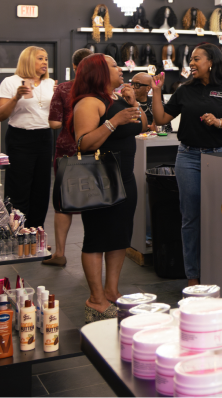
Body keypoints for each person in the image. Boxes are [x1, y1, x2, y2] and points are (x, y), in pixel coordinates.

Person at [150, 44, 222, 286]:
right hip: (189, 157)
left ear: (211, 62)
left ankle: (219, 270)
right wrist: (156, 91)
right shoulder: (185, 90)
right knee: (190, 218)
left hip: (220, 157)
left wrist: (220, 122)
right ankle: (192, 276)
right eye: (191, 60)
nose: (192, 63)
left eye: (196, 59)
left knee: (221, 215)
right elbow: (161, 119)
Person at [70, 53, 146, 322]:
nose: (121, 69)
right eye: (114, 66)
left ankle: (112, 291)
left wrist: (134, 104)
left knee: (119, 236)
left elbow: (143, 126)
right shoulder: (89, 103)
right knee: (97, 238)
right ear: (100, 72)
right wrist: (114, 122)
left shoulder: (117, 99)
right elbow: (84, 143)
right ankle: (95, 299)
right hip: (99, 180)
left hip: (125, 178)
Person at [0, 46, 56, 228]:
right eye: (40, 58)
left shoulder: (50, 83)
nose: (45, 62)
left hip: (45, 137)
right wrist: (16, 97)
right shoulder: (10, 82)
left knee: (41, 188)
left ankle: (36, 232)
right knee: (18, 187)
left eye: (46, 59)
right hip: (20, 138)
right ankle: (16, 232)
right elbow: (0, 115)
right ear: (28, 60)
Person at [44, 47, 91, 267]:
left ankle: (60, 253)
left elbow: (54, 123)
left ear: (74, 66)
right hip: (94, 149)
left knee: (63, 203)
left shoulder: (63, 88)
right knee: (95, 200)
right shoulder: (103, 90)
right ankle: (92, 249)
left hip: (67, 150)